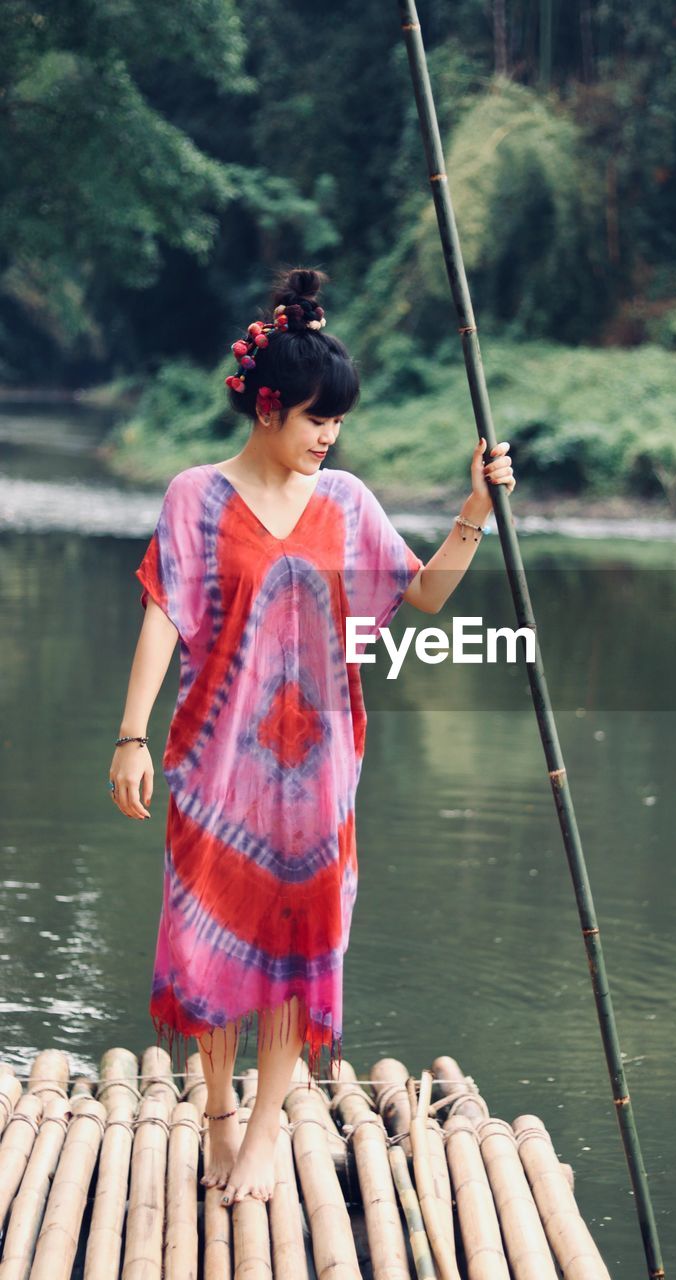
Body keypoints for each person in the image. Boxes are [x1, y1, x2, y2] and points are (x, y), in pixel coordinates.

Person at [108, 266, 515, 1207]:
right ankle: (214, 1113)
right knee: (210, 940)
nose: (327, 437)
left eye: (337, 422)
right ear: (265, 409)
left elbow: (421, 593)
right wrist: (131, 737)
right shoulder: (196, 499)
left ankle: (259, 1140)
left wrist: (476, 514)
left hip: (320, 771)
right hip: (212, 766)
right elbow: (164, 615)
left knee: (301, 948)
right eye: (313, 420)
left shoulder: (346, 502)